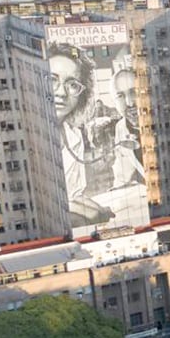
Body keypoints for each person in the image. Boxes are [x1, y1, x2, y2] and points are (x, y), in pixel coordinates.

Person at [49, 45, 120, 226]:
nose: (61, 92)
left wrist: (100, 212)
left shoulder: (74, 137)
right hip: (49, 213)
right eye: (52, 80)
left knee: (101, 217)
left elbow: (74, 194)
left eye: (72, 85)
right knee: (86, 220)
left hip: (67, 205)